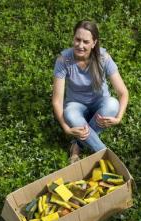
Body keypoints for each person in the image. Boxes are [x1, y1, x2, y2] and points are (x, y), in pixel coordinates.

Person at [52, 20, 129, 163]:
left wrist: (118, 118)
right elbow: (57, 100)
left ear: (94, 43)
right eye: (77, 39)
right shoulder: (63, 60)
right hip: (76, 104)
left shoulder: (103, 58)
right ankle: (106, 156)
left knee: (113, 104)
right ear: (73, 38)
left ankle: (77, 145)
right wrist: (66, 128)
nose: (80, 45)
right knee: (69, 113)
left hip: (100, 104)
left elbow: (123, 92)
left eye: (86, 42)